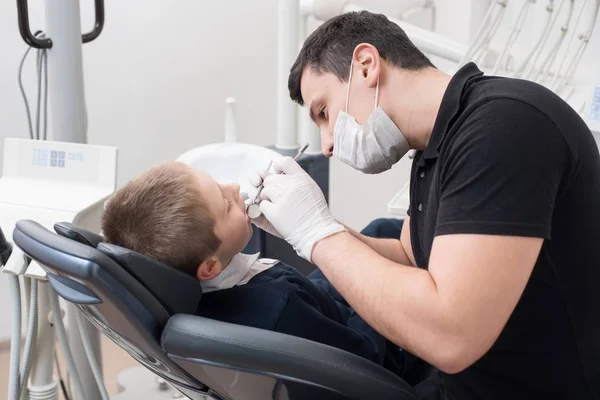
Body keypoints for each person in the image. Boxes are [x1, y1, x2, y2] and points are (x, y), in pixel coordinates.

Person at [248, 10, 600, 400]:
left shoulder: (503, 126)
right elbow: (409, 254)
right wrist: (304, 226)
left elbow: (451, 335)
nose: (328, 144)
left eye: (325, 113)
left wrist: (317, 234)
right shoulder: (434, 150)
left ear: (366, 65)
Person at [100, 161, 408, 376]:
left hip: (325, 319)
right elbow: (368, 355)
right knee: (390, 242)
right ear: (209, 266)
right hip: (389, 355)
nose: (234, 186)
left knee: (380, 229)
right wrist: (371, 279)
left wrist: (320, 238)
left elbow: (313, 297)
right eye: (226, 204)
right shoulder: (281, 303)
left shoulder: (206, 294)